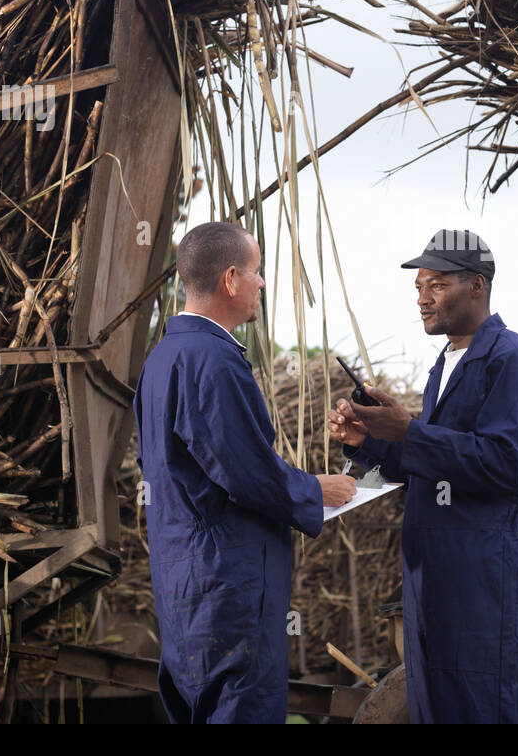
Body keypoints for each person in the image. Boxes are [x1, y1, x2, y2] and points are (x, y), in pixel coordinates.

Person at [327, 229, 518, 723]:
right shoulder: (445, 365)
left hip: (481, 574)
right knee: (434, 707)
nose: (422, 298)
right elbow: (434, 466)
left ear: (477, 286)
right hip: (431, 574)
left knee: (482, 705)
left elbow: (506, 468)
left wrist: (410, 430)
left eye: (436, 285)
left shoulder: (514, 362)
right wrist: (367, 441)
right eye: (418, 287)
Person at [133, 221, 356, 723]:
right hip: (228, 590)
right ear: (230, 279)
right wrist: (317, 488)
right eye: (256, 273)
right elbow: (244, 472)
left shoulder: (160, 360)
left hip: (182, 587)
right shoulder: (213, 360)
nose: (261, 284)